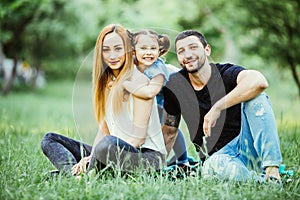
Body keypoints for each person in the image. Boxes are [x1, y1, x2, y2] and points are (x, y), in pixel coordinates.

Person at [41, 24, 166, 176]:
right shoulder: (107, 83)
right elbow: (104, 130)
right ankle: (74, 175)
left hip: (146, 157)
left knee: (107, 144)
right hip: (112, 150)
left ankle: (84, 174)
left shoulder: (138, 81)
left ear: (128, 50)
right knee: (50, 139)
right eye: (106, 50)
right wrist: (91, 156)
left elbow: (138, 139)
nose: (112, 56)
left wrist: (94, 157)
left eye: (118, 49)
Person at [162, 30, 282, 182]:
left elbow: (259, 81)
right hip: (219, 159)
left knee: (257, 98)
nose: (187, 55)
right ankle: (262, 182)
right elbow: (170, 131)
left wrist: (217, 107)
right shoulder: (176, 85)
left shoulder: (225, 72)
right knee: (213, 166)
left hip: (248, 146)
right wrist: (158, 168)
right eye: (181, 51)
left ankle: (272, 172)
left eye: (193, 47)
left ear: (207, 50)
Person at [122, 29, 192, 168]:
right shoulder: (133, 63)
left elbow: (151, 92)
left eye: (153, 48)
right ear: (133, 50)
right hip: (157, 100)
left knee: (169, 129)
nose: (148, 52)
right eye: (143, 48)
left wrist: (124, 85)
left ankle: (182, 162)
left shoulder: (157, 68)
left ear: (159, 51)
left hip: (173, 95)